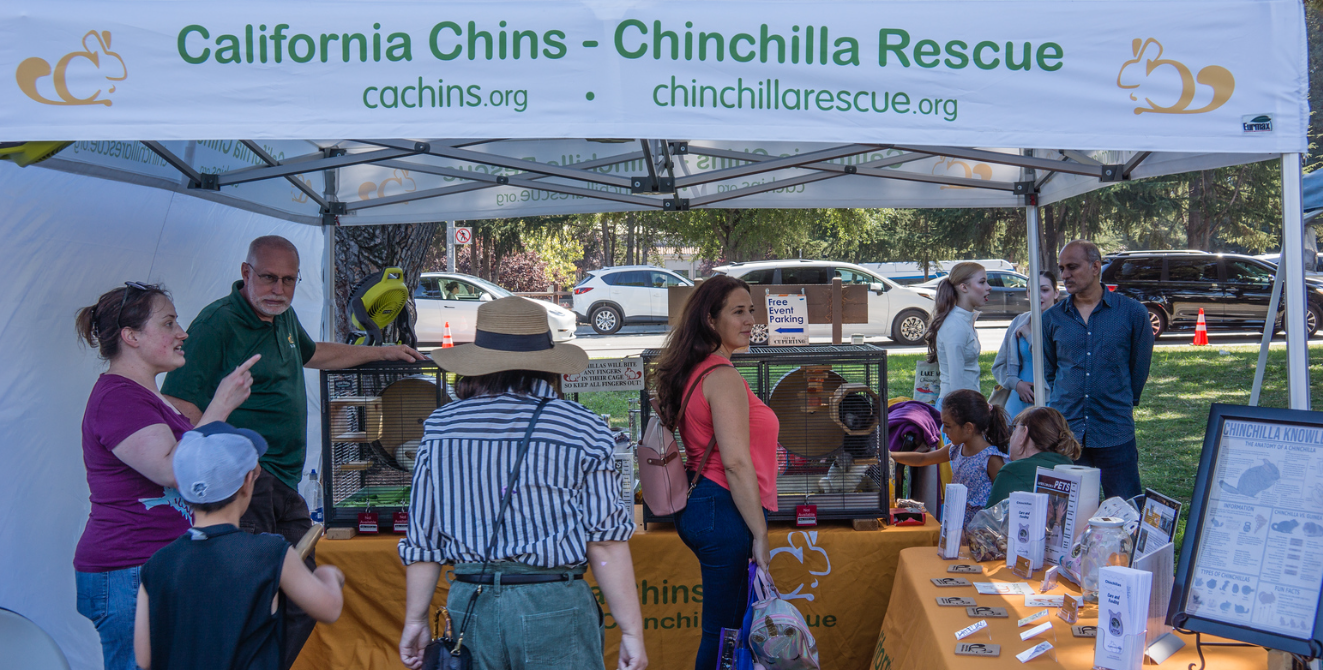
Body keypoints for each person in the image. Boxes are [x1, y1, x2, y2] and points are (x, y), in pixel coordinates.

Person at [161, 235, 424, 667]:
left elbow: (313, 352)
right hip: (244, 488)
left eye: (288, 279)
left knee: (299, 594)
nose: (278, 289)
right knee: (252, 604)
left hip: (286, 482)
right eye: (268, 277)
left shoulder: (281, 316)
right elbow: (180, 415)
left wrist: (379, 352)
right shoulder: (216, 325)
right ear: (246, 273)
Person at [397, 297, 645, 670]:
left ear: (476, 365)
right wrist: (631, 631)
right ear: (549, 366)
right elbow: (606, 541)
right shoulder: (584, 428)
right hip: (555, 606)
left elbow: (424, 541)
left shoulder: (441, 427)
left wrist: (415, 620)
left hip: (470, 605)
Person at [73, 282, 258, 670]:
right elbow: (174, 468)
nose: (183, 333)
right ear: (132, 336)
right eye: (169, 322)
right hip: (128, 571)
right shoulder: (118, 397)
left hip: (157, 567)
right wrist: (220, 405)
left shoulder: (148, 395)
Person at [134, 422, 345, 670]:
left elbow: (144, 659)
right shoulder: (270, 553)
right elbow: (329, 609)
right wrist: (328, 576)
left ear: (181, 487)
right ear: (248, 482)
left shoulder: (157, 564)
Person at [653, 275, 779, 670]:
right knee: (724, 633)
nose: (749, 320)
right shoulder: (721, 377)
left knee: (727, 630)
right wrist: (760, 532)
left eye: (751, 311)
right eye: (737, 312)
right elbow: (735, 463)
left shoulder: (698, 369)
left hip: (705, 505)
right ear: (710, 320)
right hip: (723, 510)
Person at [1043, 240, 1154, 500]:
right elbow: (1051, 370)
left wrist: (1122, 400)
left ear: (1095, 267)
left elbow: (1139, 368)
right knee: (1066, 516)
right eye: (1061, 268)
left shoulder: (1132, 313)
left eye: (1072, 267)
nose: (1065, 275)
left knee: (1125, 507)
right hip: (1067, 431)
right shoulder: (1052, 318)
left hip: (1114, 427)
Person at [890, 389, 1009, 530]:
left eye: (947, 426)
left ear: (968, 428)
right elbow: (923, 459)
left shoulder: (991, 459)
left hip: (980, 531)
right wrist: (890, 455)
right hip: (956, 524)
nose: (944, 431)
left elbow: (1004, 500)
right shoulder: (956, 448)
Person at [923, 262, 991, 408]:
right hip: (958, 409)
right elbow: (956, 386)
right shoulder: (955, 325)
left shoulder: (964, 320)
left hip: (966, 404)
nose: (988, 287)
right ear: (964, 287)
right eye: (982, 282)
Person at [992, 271, 1060, 419]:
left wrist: (1029, 336)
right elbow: (999, 365)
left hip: (1051, 399)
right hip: (1017, 400)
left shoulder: (1062, 324)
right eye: (1032, 291)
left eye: (1045, 290)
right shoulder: (1019, 321)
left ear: (1056, 293)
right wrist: (1016, 384)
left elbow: (1051, 359)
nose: (1038, 295)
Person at [984, 406, 1082, 507]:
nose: (1011, 436)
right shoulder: (1072, 470)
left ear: (1024, 433)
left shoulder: (1013, 471)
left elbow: (988, 521)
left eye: (1014, 428)